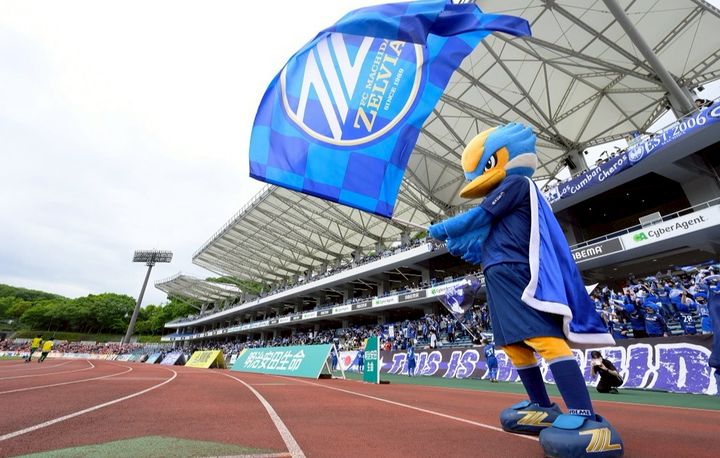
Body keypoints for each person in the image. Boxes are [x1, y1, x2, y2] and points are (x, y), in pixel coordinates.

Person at [429, 124, 622, 457]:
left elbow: (479, 216)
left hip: (518, 273)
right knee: (514, 345)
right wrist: (460, 245)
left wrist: (443, 228)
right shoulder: (504, 204)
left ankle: (584, 414)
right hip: (497, 278)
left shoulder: (516, 184)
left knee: (541, 337)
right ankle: (541, 405)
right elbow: (482, 243)